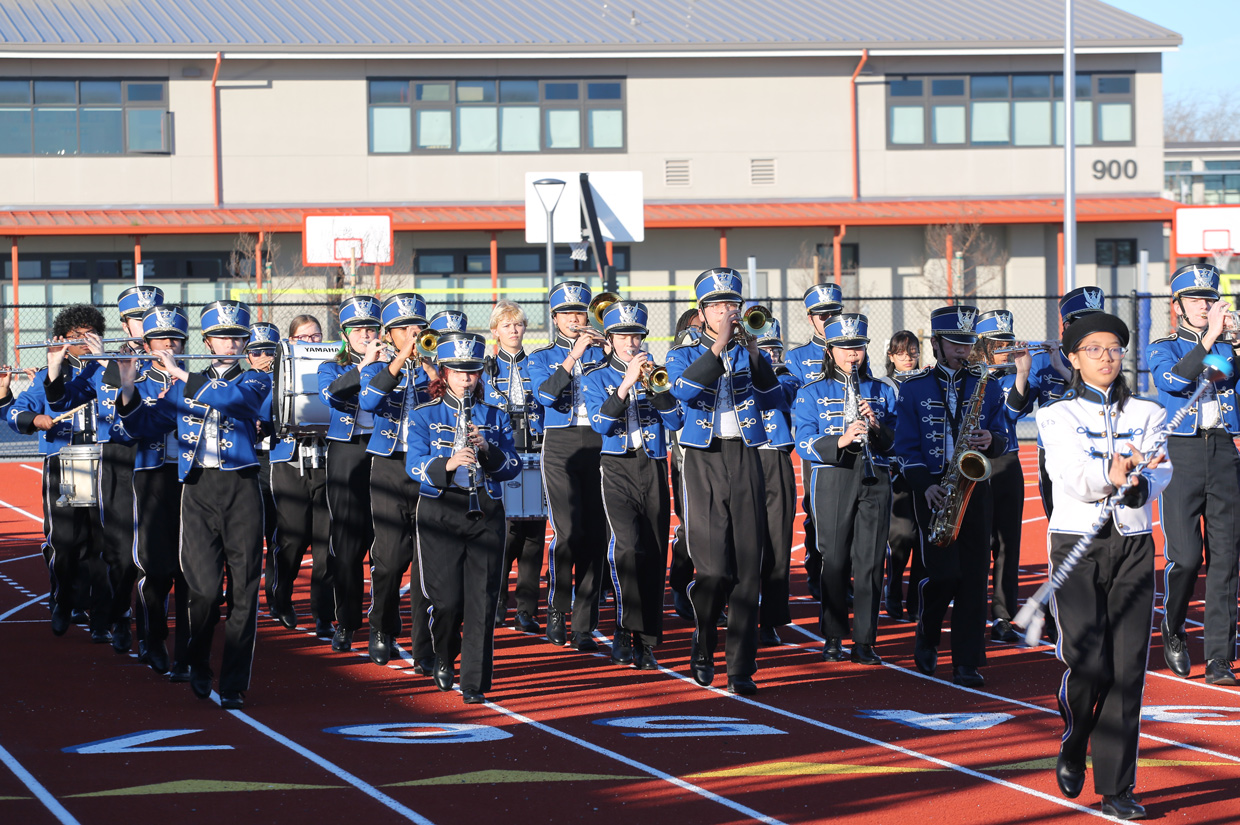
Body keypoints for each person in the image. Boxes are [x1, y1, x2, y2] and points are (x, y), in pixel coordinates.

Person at [1038, 311, 1170, 820]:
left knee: (1128, 670)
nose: (1106, 357)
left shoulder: (1150, 412)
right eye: (1093, 349)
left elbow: (1163, 471)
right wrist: (1109, 475)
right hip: (1077, 543)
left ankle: (1118, 788)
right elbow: (1070, 477)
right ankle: (1075, 739)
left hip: (1133, 543)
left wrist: (1140, 483)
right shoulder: (1057, 415)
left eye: (1113, 347)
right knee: (1089, 662)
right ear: (1072, 357)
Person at [116, 300, 271, 710]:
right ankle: (198, 661)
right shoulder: (182, 382)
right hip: (197, 489)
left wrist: (182, 375)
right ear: (207, 341)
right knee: (202, 592)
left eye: (238, 336)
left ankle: (235, 681)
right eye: (222, 336)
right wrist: (129, 385)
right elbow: (141, 427)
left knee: (244, 591)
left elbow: (238, 404)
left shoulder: (256, 379)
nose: (231, 343)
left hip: (241, 488)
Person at [666, 267, 785, 695]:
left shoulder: (750, 349)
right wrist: (717, 348)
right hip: (701, 457)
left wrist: (754, 354)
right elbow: (680, 391)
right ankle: (703, 640)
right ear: (702, 313)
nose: (728, 313)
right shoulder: (683, 352)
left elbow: (774, 398)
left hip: (746, 454)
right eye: (718, 306)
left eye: (732, 305)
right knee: (713, 570)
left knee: (748, 567)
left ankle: (741, 667)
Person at [893, 304, 1007, 688]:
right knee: (944, 575)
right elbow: (904, 448)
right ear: (936, 343)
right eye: (955, 342)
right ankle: (927, 635)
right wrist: (925, 484)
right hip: (935, 491)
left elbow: (1002, 432)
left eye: (967, 342)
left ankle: (966, 660)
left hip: (974, 488)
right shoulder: (914, 388)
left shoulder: (986, 385)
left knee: (975, 577)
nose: (963, 349)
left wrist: (992, 439)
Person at [406, 331, 520, 704]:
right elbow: (413, 466)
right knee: (447, 600)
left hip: (485, 510)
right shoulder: (424, 414)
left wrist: (486, 449)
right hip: (441, 508)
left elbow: (512, 468)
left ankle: (474, 682)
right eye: (458, 371)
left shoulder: (495, 415)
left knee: (482, 601)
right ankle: (442, 654)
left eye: (472, 371)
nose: (466, 378)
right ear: (444, 373)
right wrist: (449, 462)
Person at [1149, 264, 1240, 686]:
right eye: (1196, 299)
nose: (1205, 305)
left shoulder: (1228, 345)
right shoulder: (1163, 346)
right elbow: (1173, 382)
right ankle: (1173, 627)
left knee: (1225, 559)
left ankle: (1220, 658)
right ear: (1178, 305)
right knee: (1185, 558)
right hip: (1182, 452)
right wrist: (1208, 340)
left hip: (1223, 449)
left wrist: (1234, 344)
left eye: (1210, 298)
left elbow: (1228, 377)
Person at [583, 301, 684, 669]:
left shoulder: (658, 372)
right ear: (609, 341)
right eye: (623, 336)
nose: (631, 342)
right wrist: (625, 383)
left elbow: (676, 422)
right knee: (627, 549)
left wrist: (656, 385)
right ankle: (625, 628)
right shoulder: (595, 377)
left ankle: (648, 639)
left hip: (653, 465)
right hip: (616, 466)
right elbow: (601, 424)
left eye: (636, 335)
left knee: (656, 552)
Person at [794, 313, 897, 665]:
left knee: (870, 563)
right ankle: (834, 636)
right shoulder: (812, 392)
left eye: (858, 348)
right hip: (834, 477)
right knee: (834, 560)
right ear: (830, 349)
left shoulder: (882, 390)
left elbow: (896, 444)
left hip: (875, 477)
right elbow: (803, 442)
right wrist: (840, 440)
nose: (852, 355)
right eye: (844, 348)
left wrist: (876, 425)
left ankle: (865, 641)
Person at [6, 304, 109, 640]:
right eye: (74, 335)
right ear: (62, 339)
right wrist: (33, 418)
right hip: (66, 460)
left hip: (107, 462)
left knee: (103, 541)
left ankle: (103, 614)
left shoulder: (108, 368)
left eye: (89, 333)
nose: (82, 340)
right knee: (65, 540)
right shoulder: (53, 373)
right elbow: (18, 412)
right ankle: (64, 601)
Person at [107, 305, 193, 679]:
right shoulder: (139, 381)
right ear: (147, 343)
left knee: (191, 569)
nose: (169, 345)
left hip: (195, 478)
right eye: (161, 339)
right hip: (153, 478)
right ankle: (152, 638)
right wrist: (128, 387)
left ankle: (190, 651)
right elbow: (123, 432)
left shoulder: (198, 378)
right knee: (156, 567)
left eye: (176, 339)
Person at [527, 282, 608, 651]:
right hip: (560, 444)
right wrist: (574, 355)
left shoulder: (603, 351)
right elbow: (545, 394)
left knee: (597, 535)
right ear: (555, 318)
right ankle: (558, 607)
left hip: (600, 441)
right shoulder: (541, 355)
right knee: (569, 532)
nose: (577, 319)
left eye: (581, 312)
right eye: (568, 313)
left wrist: (609, 352)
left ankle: (584, 623)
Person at [358, 294, 435, 672]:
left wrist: (432, 365)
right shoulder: (376, 366)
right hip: (388, 466)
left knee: (426, 560)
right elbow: (370, 403)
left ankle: (425, 645)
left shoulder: (433, 365)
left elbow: (448, 398)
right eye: (405, 327)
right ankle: (382, 627)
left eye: (417, 326)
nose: (414, 332)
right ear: (389, 334)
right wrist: (402, 357)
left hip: (428, 467)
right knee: (388, 559)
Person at [318, 295, 385, 652]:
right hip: (347, 451)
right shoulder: (331, 366)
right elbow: (332, 395)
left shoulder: (394, 363)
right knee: (346, 544)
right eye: (358, 329)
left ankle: (382, 622)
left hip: (385, 451)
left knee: (386, 543)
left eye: (371, 328)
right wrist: (364, 367)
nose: (365, 334)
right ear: (345, 334)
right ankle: (346, 621)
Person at [266, 315, 334, 640]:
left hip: (326, 462)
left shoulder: (334, 366)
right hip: (290, 463)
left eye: (316, 335)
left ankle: (324, 614)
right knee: (292, 539)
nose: (311, 341)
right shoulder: (279, 369)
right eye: (304, 337)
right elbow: (266, 410)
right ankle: (281, 597)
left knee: (326, 543)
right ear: (291, 340)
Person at [482, 300, 547, 634]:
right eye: (506, 325)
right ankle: (495, 603)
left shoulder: (538, 364)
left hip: (536, 450)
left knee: (534, 535)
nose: (514, 330)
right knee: (504, 535)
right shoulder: (484, 367)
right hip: (501, 453)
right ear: (495, 330)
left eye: (519, 324)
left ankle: (527, 610)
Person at [974, 309, 1032, 645]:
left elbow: (1013, 412)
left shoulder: (1013, 373)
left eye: (1006, 341)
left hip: (1006, 461)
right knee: (979, 543)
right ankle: (971, 608)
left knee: (1008, 544)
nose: (1003, 348)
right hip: (974, 463)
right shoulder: (968, 373)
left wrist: (1022, 375)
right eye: (996, 342)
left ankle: (1003, 615)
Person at [783, 283, 844, 600]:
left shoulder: (852, 349)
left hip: (851, 443)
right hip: (816, 446)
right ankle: (817, 570)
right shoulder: (796, 357)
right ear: (810, 318)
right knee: (816, 510)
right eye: (822, 314)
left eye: (833, 312)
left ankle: (842, 574)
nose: (828, 318)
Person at [754, 317, 796, 646]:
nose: (769, 354)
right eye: (762, 348)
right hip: (742, 455)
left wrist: (758, 362)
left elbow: (777, 395)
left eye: (773, 348)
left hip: (775, 457)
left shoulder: (787, 375)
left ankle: (770, 617)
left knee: (777, 541)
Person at [881, 331, 924, 622]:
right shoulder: (883, 385)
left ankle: (917, 600)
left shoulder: (928, 382)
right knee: (901, 536)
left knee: (925, 537)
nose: (907, 357)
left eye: (912, 351)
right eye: (900, 352)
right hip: (897, 471)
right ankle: (893, 590)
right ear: (891, 356)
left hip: (926, 467)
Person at [244, 322, 283, 624]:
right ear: (248, 356)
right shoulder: (243, 380)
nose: (265, 357)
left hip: (279, 460)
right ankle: (242, 595)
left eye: (270, 350)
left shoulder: (286, 378)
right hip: (251, 461)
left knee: (279, 533)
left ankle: (276, 597)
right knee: (247, 534)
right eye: (257, 351)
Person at [668, 308, 704, 622]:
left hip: (720, 448)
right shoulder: (679, 355)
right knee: (689, 525)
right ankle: (680, 585)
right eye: (697, 328)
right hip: (685, 449)